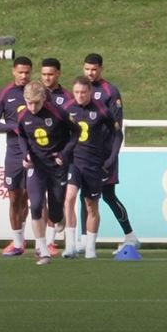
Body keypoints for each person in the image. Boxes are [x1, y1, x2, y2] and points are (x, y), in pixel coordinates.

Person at [82, 53, 140, 254]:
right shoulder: (80, 91)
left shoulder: (109, 91)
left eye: (94, 69)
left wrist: (112, 156)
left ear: (101, 69)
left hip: (105, 154)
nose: (91, 72)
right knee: (84, 195)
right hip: (85, 154)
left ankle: (130, 236)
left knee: (107, 195)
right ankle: (84, 240)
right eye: (88, 69)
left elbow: (117, 128)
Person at [16, 81, 79, 265]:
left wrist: (64, 154)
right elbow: (21, 135)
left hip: (57, 166)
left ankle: (58, 219)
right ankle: (43, 250)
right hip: (36, 166)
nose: (32, 107)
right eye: (29, 103)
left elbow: (76, 131)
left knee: (55, 213)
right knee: (35, 204)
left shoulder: (58, 112)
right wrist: (25, 154)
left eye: (36, 103)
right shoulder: (22, 115)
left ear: (44, 98)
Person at [61, 76, 123, 259]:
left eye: (83, 92)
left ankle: (90, 247)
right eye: (77, 92)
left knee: (91, 205)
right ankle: (70, 245)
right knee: (69, 198)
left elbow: (117, 134)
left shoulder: (101, 110)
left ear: (90, 92)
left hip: (93, 164)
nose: (79, 96)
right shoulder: (67, 109)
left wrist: (112, 158)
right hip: (73, 162)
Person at [0, 56, 32, 256]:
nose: (24, 76)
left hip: (34, 152)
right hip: (14, 152)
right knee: (14, 196)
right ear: (13, 71)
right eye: (20, 72)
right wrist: (14, 126)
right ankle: (17, 242)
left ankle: (22, 240)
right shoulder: (5, 93)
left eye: (27, 72)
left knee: (29, 196)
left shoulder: (36, 92)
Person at [40, 57, 72, 256]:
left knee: (56, 201)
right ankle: (44, 243)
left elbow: (72, 128)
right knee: (36, 200)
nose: (47, 78)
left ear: (59, 73)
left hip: (59, 157)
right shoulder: (35, 94)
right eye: (43, 74)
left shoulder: (67, 97)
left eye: (50, 74)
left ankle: (58, 229)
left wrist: (64, 152)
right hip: (38, 156)